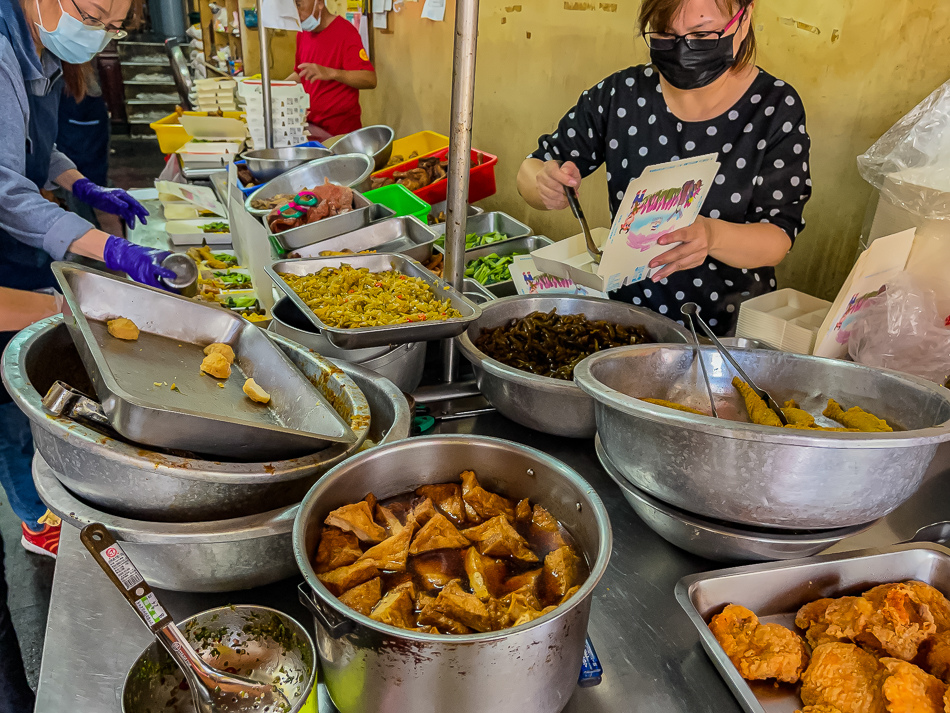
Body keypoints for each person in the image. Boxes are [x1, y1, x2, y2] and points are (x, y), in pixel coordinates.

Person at [518, 0, 813, 335]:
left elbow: (777, 236)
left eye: (702, 34)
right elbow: (536, 164)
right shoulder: (621, 95)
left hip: (723, 333)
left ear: (743, 21)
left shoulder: (774, 107)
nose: (682, 49)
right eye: (664, 36)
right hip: (625, 323)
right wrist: (544, 183)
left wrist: (712, 236)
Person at [0, 0, 177, 556]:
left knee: (34, 371)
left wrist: (80, 185)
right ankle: (34, 517)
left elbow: (30, 146)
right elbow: (4, 188)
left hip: (19, 247)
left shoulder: (41, 51)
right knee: (8, 399)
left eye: (112, 25)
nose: (100, 33)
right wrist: (108, 256)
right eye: (95, 15)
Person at [289, 0, 377, 142]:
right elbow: (301, 73)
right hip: (311, 130)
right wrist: (272, 89)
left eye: (299, 5)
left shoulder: (345, 32)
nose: (297, 14)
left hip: (340, 134)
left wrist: (332, 73)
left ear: (320, 3)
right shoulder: (302, 34)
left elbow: (370, 79)